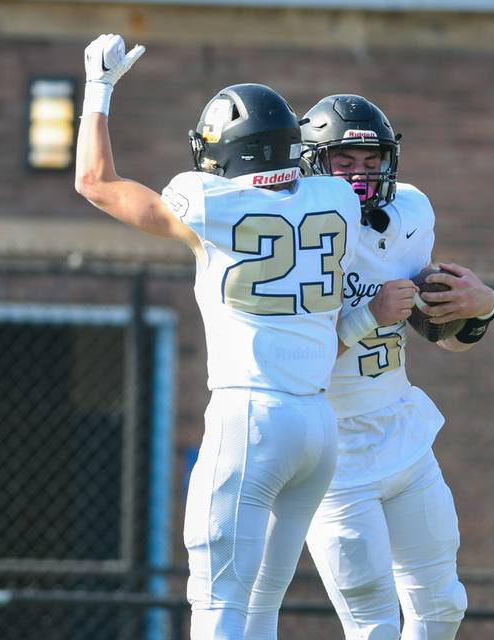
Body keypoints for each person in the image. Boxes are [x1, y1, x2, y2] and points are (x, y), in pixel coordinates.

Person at [75, 36, 411, 640]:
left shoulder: (209, 203)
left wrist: (98, 90)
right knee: (261, 606)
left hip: (249, 417)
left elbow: (95, 182)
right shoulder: (335, 198)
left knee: (219, 607)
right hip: (317, 428)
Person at [291, 95, 494, 640]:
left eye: (371, 161)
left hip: (403, 433)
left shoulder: (409, 213)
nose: (360, 175)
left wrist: (481, 308)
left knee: (443, 606)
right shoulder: (297, 231)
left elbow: (440, 335)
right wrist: (366, 318)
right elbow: (293, 362)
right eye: (344, 162)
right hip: (334, 454)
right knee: (374, 626)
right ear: (313, 163)